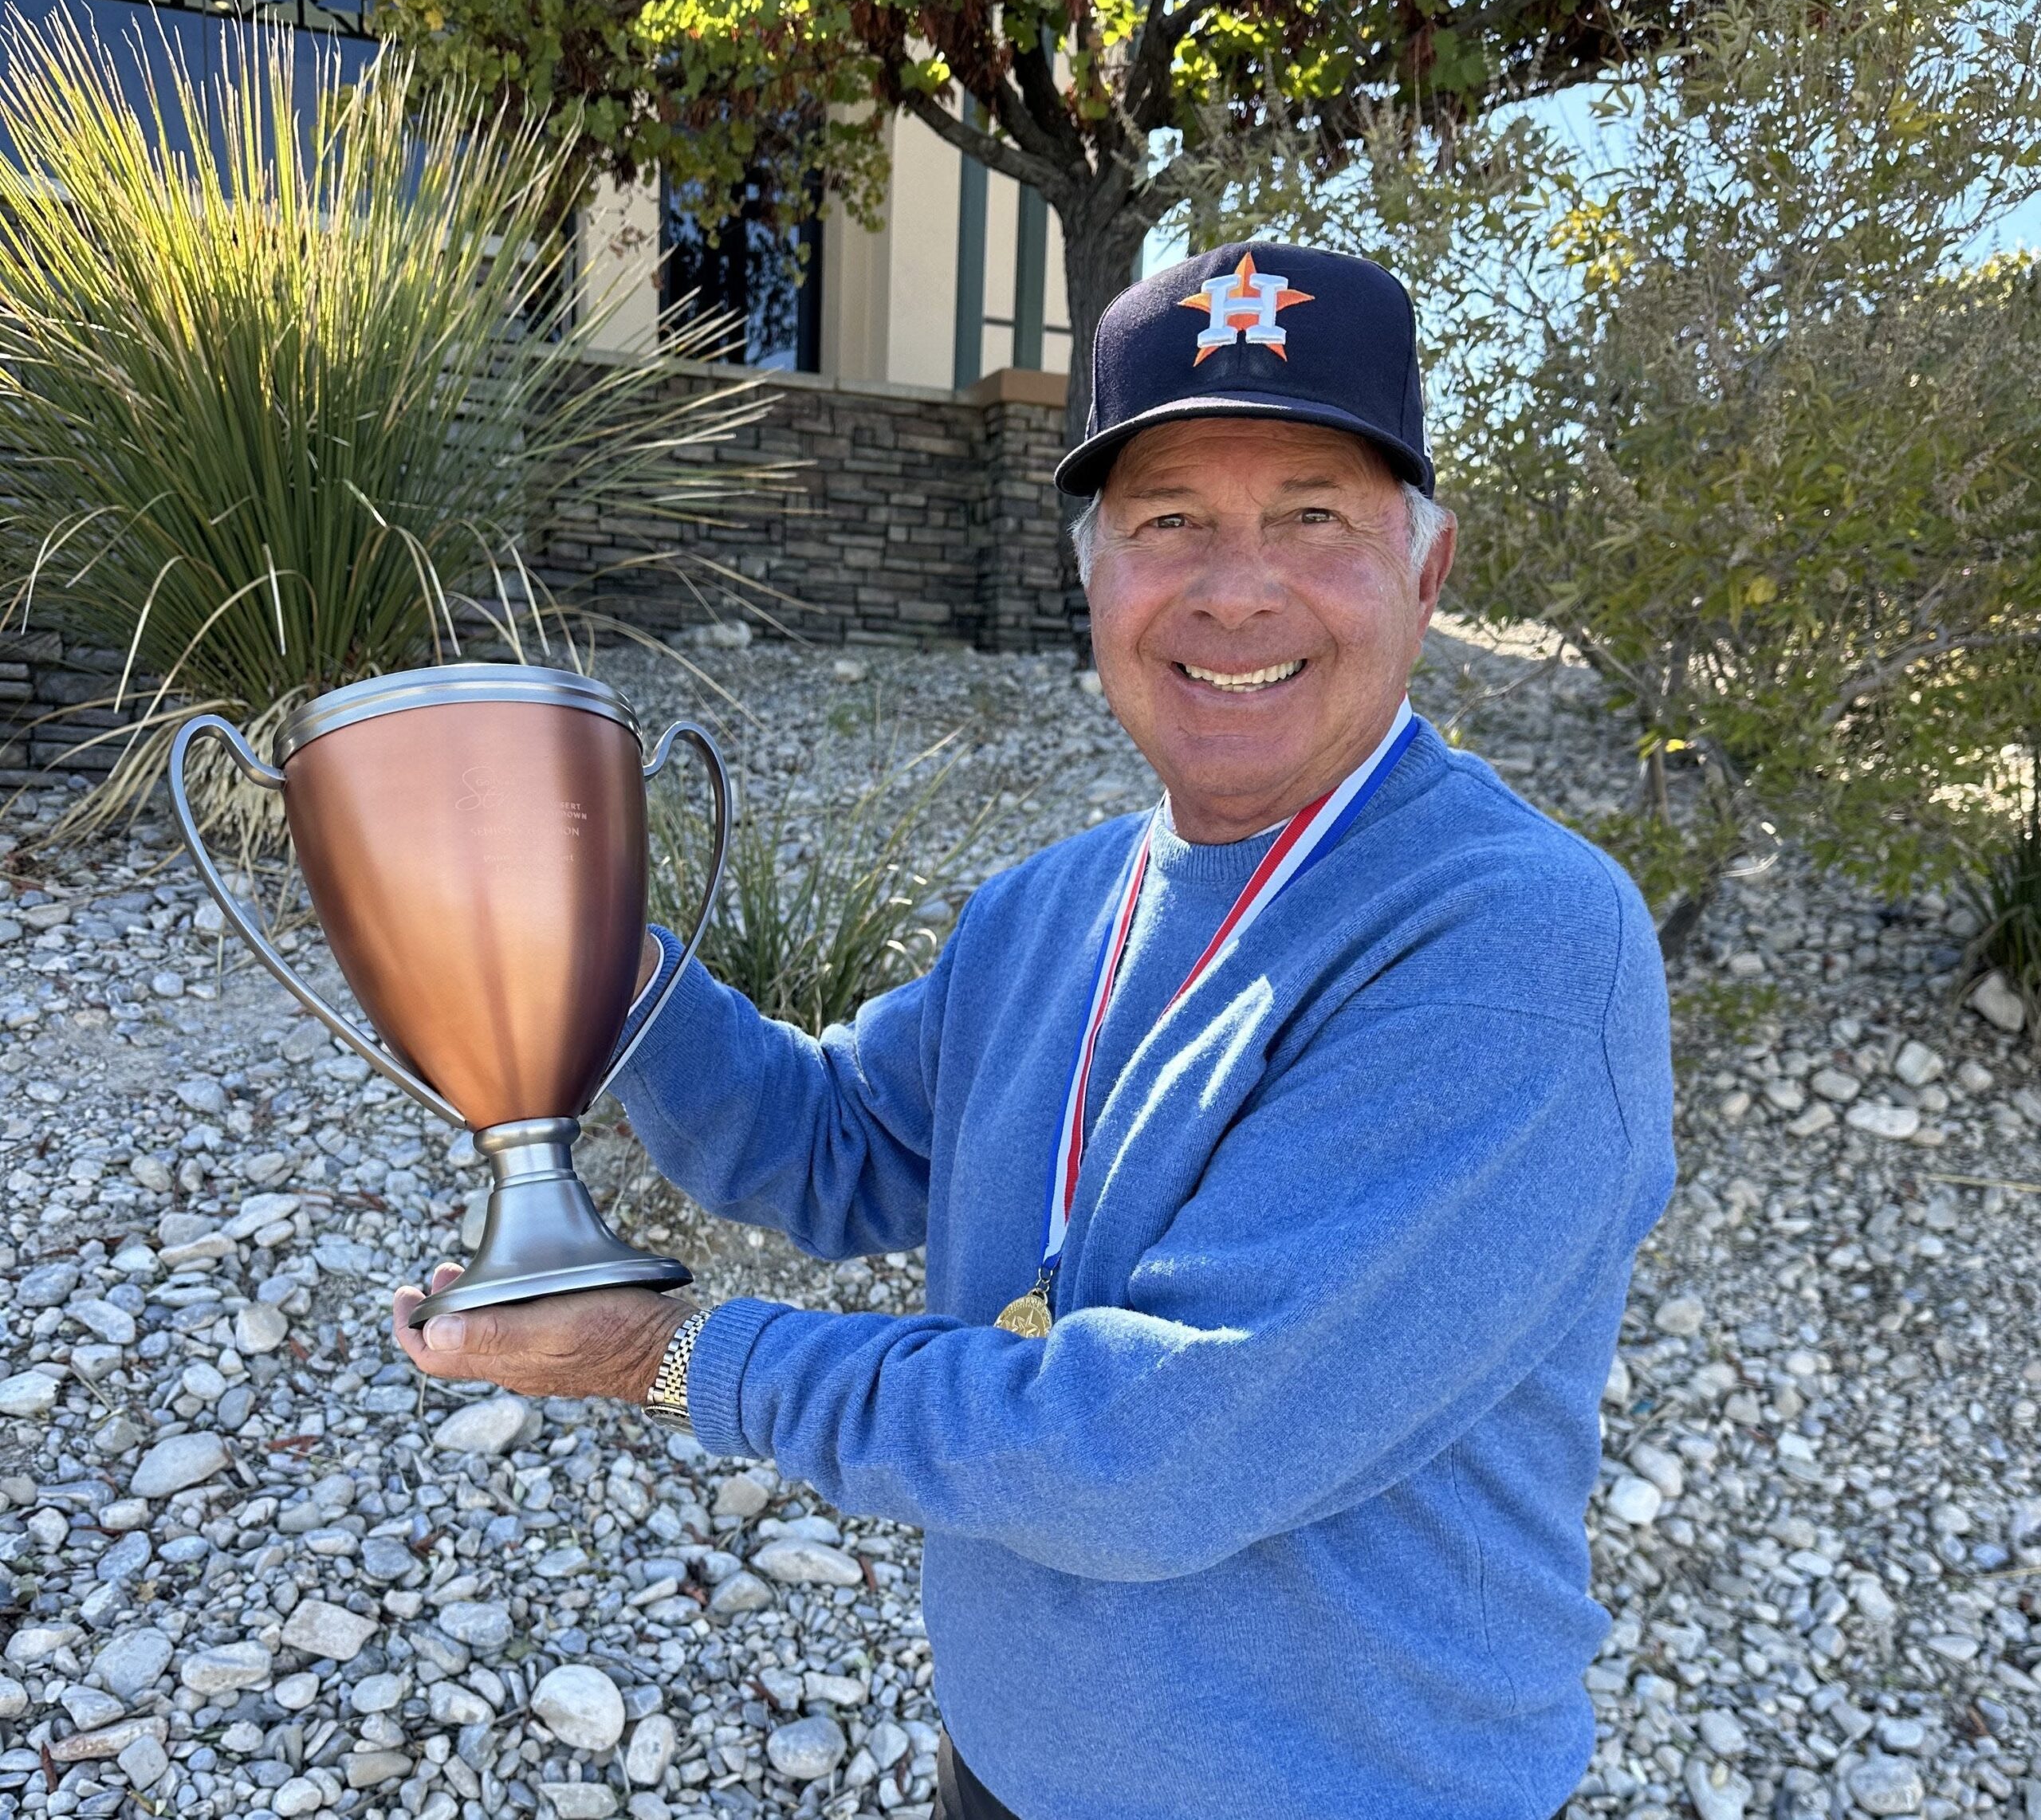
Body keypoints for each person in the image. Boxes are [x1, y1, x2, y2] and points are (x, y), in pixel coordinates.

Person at [395, 240, 1675, 1820]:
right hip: (1005, 1768)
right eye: (1167, 521)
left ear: (1423, 570)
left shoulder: (1517, 938)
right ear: (1092, 576)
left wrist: (671, 1355)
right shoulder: (1046, 906)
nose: (1232, 585)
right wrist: (592, 962)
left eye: (1310, 516)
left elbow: (1158, 1451)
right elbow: (832, 1146)